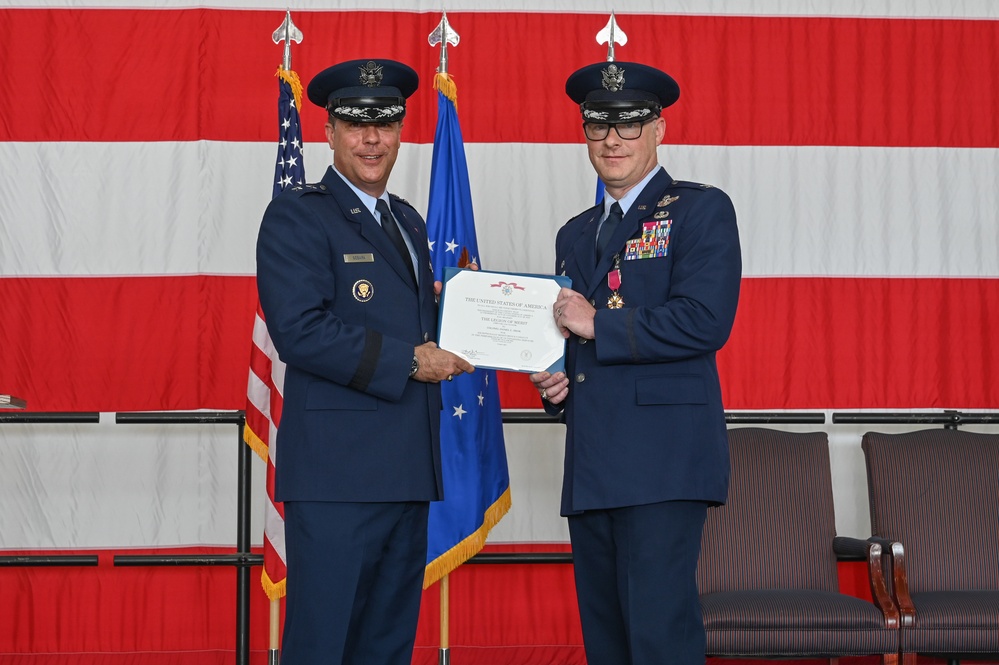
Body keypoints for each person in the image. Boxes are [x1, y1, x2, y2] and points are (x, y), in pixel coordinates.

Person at [255, 58, 474, 665]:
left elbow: (400, 316)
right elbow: (300, 331)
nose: (372, 138)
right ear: (329, 132)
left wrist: (468, 308)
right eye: (356, 124)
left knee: (385, 647)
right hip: (335, 480)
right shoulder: (298, 214)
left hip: (404, 472)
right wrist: (410, 360)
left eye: (385, 123)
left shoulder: (407, 221)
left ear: (402, 130)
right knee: (323, 646)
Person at [530, 60, 742, 664]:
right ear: (585, 135)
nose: (613, 139)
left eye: (630, 124)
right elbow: (577, 348)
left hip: (663, 462)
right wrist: (559, 385)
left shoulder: (701, 211)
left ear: (659, 130)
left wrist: (599, 323)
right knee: (609, 642)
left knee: (659, 640)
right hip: (594, 459)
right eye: (599, 126)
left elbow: (706, 320)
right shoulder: (575, 233)